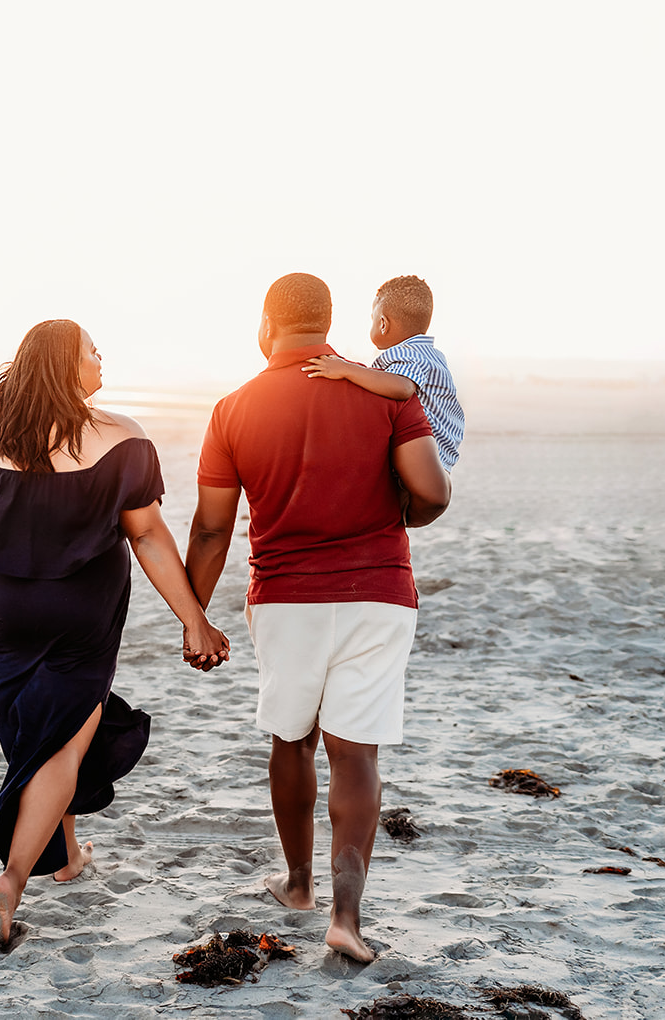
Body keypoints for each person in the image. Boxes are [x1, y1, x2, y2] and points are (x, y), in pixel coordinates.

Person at [185, 274, 450, 963]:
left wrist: (194, 613)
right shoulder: (378, 391)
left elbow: (213, 530)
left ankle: (298, 883)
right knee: (356, 751)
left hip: (284, 598)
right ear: (330, 323)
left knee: (291, 737)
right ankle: (346, 915)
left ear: (266, 327)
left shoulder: (233, 407)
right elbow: (433, 491)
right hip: (379, 594)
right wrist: (398, 519)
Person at [0, 319, 230, 951]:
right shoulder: (118, 437)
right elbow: (150, 535)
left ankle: (68, 856)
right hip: (82, 615)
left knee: (43, 732)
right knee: (62, 746)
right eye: (91, 351)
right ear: (64, 367)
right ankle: (12, 881)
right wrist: (195, 621)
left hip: (11, 612)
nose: (101, 358)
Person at [300, 275, 465, 470]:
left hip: (423, 458)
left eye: (372, 319)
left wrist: (346, 369)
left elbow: (403, 387)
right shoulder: (430, 354)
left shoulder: (408, 353)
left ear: (383, 324)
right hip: (439, 457)